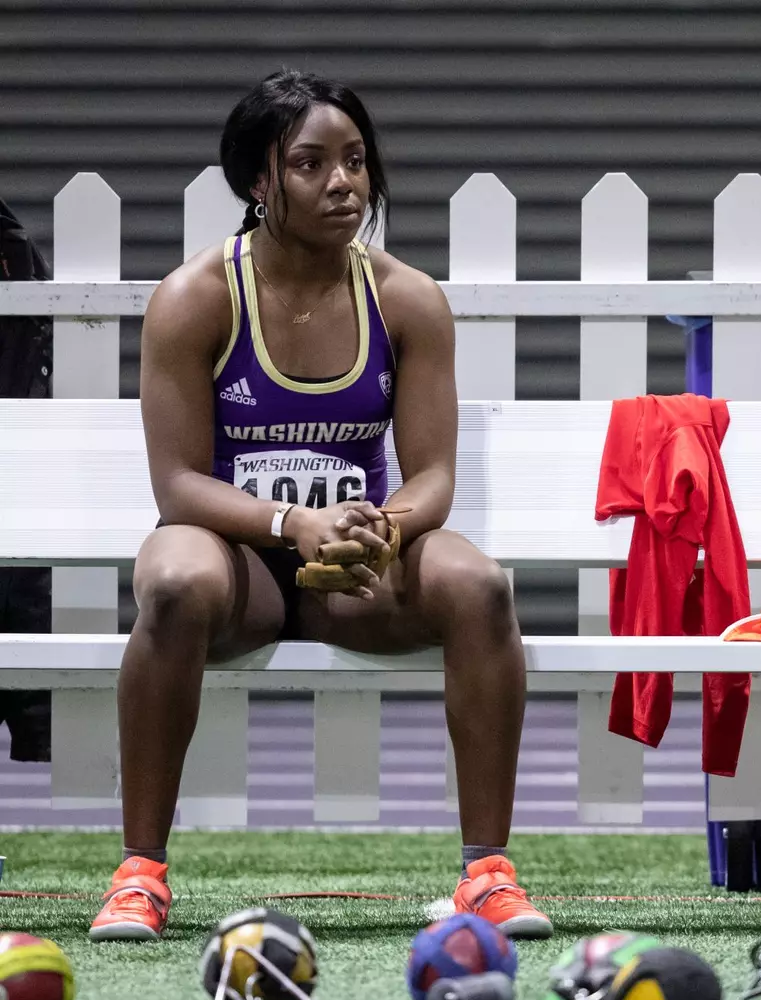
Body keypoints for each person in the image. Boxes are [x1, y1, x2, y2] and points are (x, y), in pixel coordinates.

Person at [89, 70, 551, 942]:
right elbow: (178, 484)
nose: (343, 183)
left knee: (482, 585)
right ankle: (139, 876)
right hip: (237, 564)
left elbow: (434, 477)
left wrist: (389, 525)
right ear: (258, 183)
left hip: (354, 568)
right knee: (175, 578)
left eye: (355, 161)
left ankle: (487, 876)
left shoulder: (405, 298)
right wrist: (291, 522)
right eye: (310, 164)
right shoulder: (197, 297)